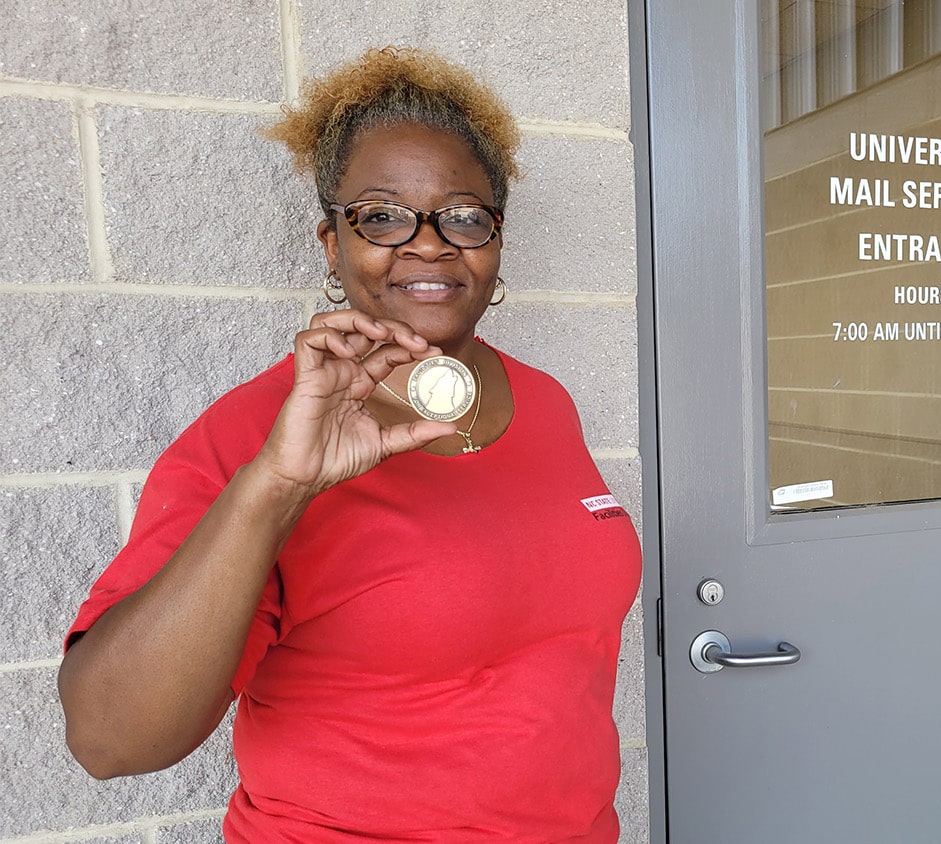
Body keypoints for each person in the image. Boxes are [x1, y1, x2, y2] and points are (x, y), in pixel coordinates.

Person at [56, 47, 642, 842]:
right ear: (333, 245)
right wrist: (278, 486)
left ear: (496, 241)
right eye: (381, 216)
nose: (429, 243)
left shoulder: (546, 401)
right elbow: (109, 740)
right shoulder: (251, 436)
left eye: (464, 214)